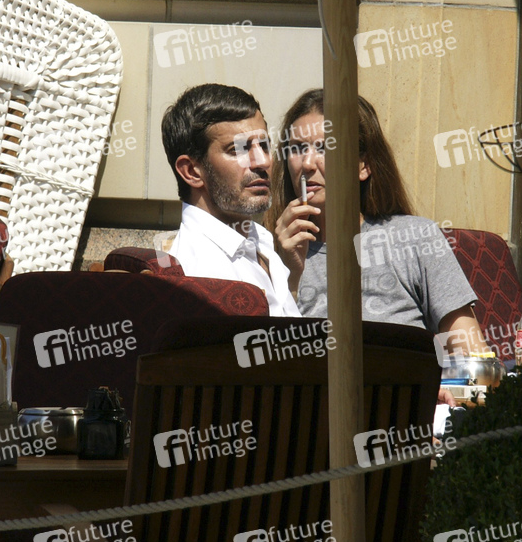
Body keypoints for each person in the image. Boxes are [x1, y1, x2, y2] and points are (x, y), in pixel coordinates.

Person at [265, 89, 488, 356]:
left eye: (324, 147)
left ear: (364, 165)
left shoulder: (416, 237)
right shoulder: (268, 250)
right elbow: (271, 360)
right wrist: (289, 274)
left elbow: (471, 355)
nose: (308, 163)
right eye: (298, 148)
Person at [161, 84, 301, 317]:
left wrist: (293, 279)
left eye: (264, 145)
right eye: (239, 149)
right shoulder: (196, 275)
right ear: (192, 172)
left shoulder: (261, 238)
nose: (263, 162)